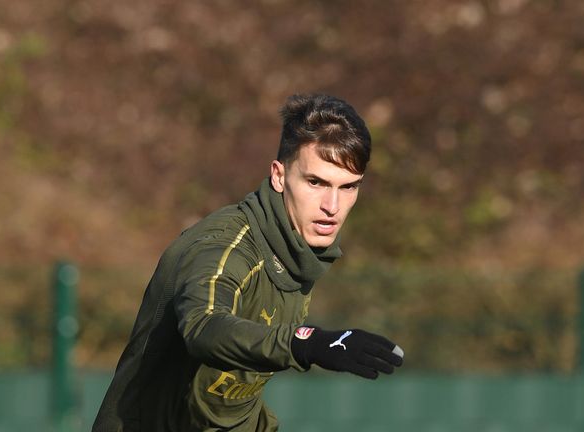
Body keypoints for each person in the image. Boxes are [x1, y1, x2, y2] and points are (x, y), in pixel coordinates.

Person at [92, 93, 404, 432]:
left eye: (348, 187)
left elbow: (227, 397)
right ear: (279, 176)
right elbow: (204, 327)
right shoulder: (226, 246)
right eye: (316, 182)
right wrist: (305, 342)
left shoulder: (296, 250)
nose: (332, 205)